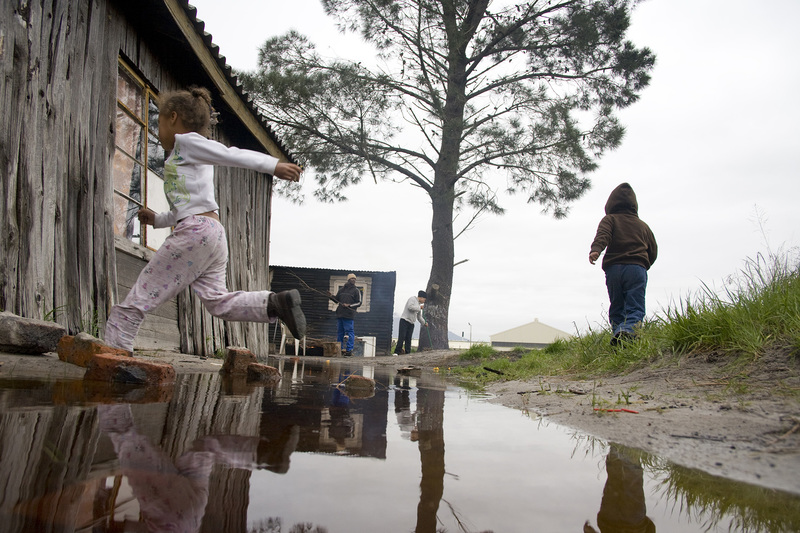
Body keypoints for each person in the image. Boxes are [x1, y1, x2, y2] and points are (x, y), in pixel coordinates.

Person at [104, 87, 306, 353]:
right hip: (211, 233)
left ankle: (114, 352)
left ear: (173, 118)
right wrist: (158, 220)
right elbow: (185, 208)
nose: (158, 131)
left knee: (143, 293)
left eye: (160, 123)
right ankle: (273, 304)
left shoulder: (186, 143)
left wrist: (273, 165)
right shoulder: (183, 157)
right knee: (217, 302)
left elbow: (230, 154)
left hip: (196, 232)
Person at [589, 183, 657, 346]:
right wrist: (644, 263)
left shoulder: (609, 219)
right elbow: (653, 249)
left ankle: (618, 335)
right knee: (635, 305)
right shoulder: (643, 226)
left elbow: (602, 235)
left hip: (614, 269)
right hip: (636, 268)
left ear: (610, 204)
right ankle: (628, 332)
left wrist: (596, 250)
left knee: (617, 304)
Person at [327, 273, 361, 356]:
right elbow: (336, 300)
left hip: (349, 315)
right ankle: (340, 349)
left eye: (354, 279)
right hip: (340, 314)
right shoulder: (342, 290)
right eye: (352, 279)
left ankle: (349, 350)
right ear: (348, 280)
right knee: (340, 333)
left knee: (350, 332)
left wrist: (349, 305)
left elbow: (359, 302)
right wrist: (331, 296)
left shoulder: (356, 291)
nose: (354, 280)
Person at [394, 290, 427, 355]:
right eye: (424, 299)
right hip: (405, 320)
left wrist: (424, 323)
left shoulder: (419, 305)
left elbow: (419, 317)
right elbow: (410, 307)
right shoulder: (412, 299)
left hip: (411, 323)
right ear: (421, 297)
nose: (424, 301)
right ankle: (396, 352)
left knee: (408, 338)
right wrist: (419, 307)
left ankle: (407, 352)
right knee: (402, 337)